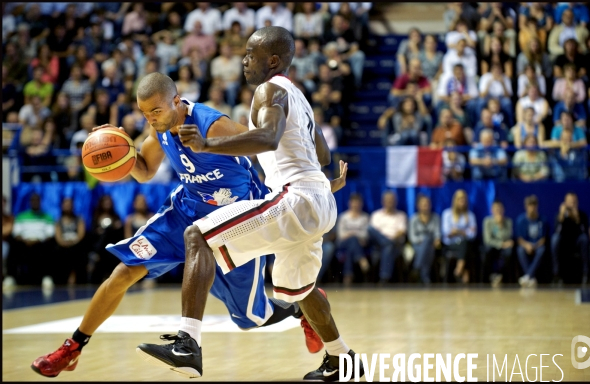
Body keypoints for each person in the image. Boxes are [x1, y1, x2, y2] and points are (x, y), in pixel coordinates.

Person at [31, 71, 349, 378]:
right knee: (124, 272)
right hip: (186, 209)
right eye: (144, 113)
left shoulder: (210, 123)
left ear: (177, 101)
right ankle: (72, 348)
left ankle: (301, 310)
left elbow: (263, 144)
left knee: (252, 318)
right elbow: (144, 172)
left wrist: (315, 184)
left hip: (235, 214)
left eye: (156, 110)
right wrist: (119, 146)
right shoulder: (157, 129)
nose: (151, 118)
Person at [136, 27, 364, 381]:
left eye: (250, 54)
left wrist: (208, 146)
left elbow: (269, 139)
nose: (244, 61)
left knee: (198, 236)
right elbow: (322, 152)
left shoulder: (268, 89)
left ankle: (187, 345)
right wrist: (321, 187)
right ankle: (342, 359)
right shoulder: (298, 97)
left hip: (296, 197)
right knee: (300, 290)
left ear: (272, 61)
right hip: (315, 197)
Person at [368, 190, 408, 285]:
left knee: (389, 246)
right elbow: (373, 233)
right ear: (383, 202)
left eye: (392, 200)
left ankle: (384, 278)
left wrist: (391, 239)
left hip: (395, 243)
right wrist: (385, 239)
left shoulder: (401, 215)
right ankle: (384, 277)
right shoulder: (376, 215)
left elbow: (402, 232)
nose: (390, 202)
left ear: (395, 202)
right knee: (369, 228)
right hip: (378, 244)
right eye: (388, 200)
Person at [551, 192, 590, 284]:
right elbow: (557, 231)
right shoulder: (559, 215)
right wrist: (561, 216)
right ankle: (556, 274)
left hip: (576, 242)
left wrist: (577, 218)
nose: (572, 204)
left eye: (574, 202)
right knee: (555, 239)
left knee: (584, 239)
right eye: (570, 202)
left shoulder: (582, 215)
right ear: (565, 202)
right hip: (564, 242)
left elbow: (584, 232)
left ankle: (586, 274)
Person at [441, 189, 477, 284]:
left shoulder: (470, 215)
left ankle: (459, 269)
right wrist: (463, 232)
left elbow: (472, 234)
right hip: (450, 244)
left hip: (465, 243)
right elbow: (446, 232)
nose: (462, 202)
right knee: (464, 244)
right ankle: (463, 271)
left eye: (464, 200)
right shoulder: (447, 214)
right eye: (460, 200)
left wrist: (457, 231)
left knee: (465, 243)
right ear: (455, 201)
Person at [336, 193, 370, 285]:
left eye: (357, 203)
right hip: (343, 243)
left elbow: (365, 234)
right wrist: (354, 235)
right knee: (353, 240)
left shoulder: (365, 217)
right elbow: (341, 234)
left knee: (350, 249)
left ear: (361, 204)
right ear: (349, 203)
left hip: (359, 243)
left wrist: (352, 234)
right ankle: (361, 258)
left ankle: (348, 276)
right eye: (353, 202)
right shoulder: (343, 217)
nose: (355, 205)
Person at [515, 195, 547, 288]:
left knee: (542, 250)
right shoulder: (521, 220)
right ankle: (531, 277)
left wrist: (534, 246)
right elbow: (520, 239)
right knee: (520, 250)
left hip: (537, 245)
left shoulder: (543, 220)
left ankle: (528, 276)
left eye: (534, 205)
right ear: (526, 207)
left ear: (537, 206)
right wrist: (527, 245)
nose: (532, 208)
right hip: (526, 245)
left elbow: (543, 239)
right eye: (530, 205)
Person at [408, 194, 441, 284]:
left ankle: (417, 269)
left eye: (427, 204)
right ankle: (425, 278)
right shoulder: (414, 219)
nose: (425, 206)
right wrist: (422, 240)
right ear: (418, 206)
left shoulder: (435, 218)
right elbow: (412, 237)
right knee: (426, 244)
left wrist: (437, 239)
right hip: (417, 245)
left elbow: (437, 233)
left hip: (432, 244)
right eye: (423, 204)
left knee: (428, 246)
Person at [54, 197, 87, 285]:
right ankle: (62, 278)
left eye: (69, 204)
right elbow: (58, 237)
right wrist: (64, 243)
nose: (67, 206)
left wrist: (73, 242)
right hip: (63, 245)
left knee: (78, 250)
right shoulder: (58, 221)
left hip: (76, 244)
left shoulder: (79, 219)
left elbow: (81, 234)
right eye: (65, 204)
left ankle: (75, 276)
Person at [482, 201, 514, 287]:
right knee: (488, 250)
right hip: (494, 246)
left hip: (505, 247)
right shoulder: (487, 221)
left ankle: (503, 276)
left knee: (509, 252)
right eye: (496, 209)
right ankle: (489, 276)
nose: (498, 211)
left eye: (500, 209)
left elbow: (508, 236)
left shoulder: (508, 222)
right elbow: (487, 240)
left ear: (503, 210)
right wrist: (501, 244)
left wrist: (500, 225)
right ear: (492, 210)